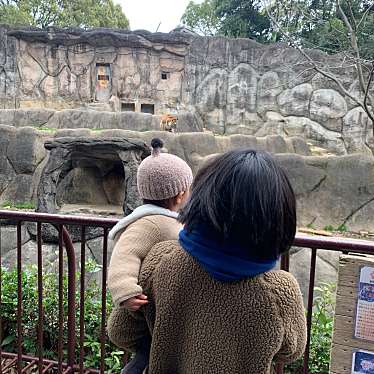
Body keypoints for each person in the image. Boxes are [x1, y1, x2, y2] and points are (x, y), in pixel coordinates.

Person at [108, 149, 307, 374]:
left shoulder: (161, 261)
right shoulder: (279, 291)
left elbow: (121, 332)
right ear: (279, 218)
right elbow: (292, 350)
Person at [107, 138, 193, 374]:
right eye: (187, 189)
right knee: (145, 356)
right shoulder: (150, 224)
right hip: (145, 309)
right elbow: (125, 253)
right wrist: (125, 290)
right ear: (178, 196)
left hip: (160, 304)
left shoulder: (163, 220)